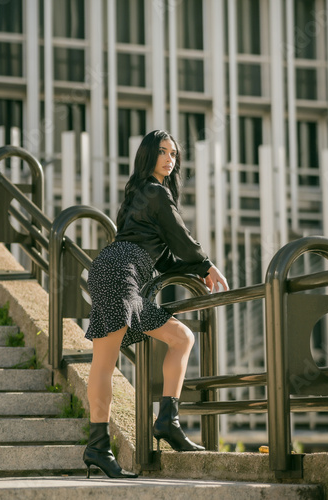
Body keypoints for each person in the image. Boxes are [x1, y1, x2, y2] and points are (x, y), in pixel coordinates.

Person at [83, 130, 229, 479]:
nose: (169, 159)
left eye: (174, 154)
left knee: (176, 340)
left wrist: (195, 271)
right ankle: (119, 438)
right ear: (148, 155)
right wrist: (205, 264)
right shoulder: (155, 192)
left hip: (112, 269)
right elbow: (180, 237)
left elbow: (160, 258)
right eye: (162, 152)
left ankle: (156, 424)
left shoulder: (135, 194)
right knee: (110, 361)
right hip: (121, 274)